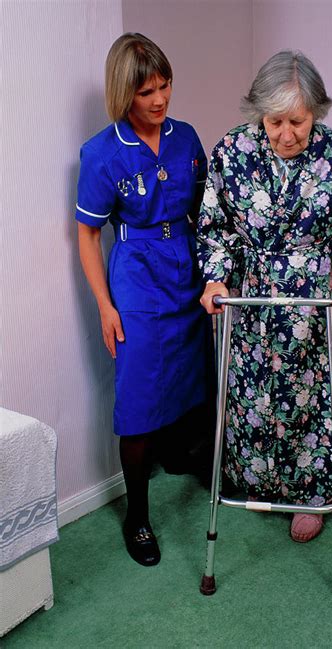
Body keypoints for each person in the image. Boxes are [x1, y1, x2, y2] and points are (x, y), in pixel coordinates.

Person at [197, 50, 332, 543]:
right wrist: (216, 279)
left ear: (316, 113)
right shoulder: (231, 152)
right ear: (259, 112)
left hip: (317, 304)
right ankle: (259, 484)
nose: (285, 134)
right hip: (254, 303)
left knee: (317, 401)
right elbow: (215, 230)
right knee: (255, 400)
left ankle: (314, 498)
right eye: (275, 121)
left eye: (297, 121)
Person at [76, 33, 212, 566]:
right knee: (136, 400)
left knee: (193, 375)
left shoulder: (186, 138)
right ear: (123, 94)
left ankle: (183, 457)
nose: (159, 100)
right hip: (136, 278)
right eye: (146, 92)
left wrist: (218, 274)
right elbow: (87, 234)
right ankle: (137, 516)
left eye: (165, 86)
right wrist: (105, 306)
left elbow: (208, 211)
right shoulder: (102, 153)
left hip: (189, 268)